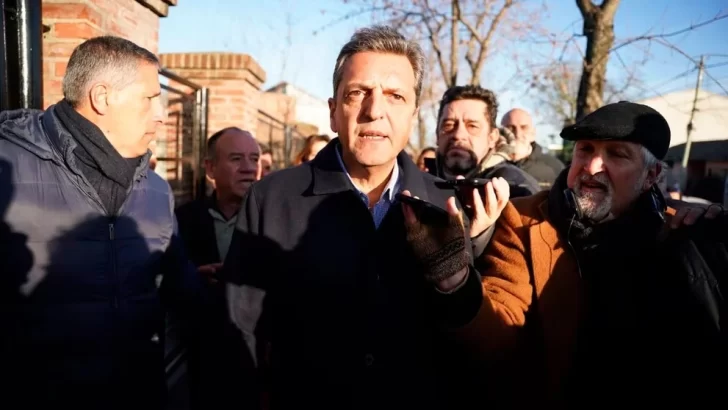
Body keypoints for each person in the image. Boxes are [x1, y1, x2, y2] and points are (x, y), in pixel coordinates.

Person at [222, 25, 509, 410]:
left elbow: (467, 338)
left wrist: (455, 280)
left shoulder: (447, 205)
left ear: (413, 115)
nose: (375, 111)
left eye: (395, 96)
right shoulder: (271, 199)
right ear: (333, 112)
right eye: (358, 93)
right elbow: (240, 333)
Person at [434, 101, 727, 407]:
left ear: (651, 175)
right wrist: (457, 285)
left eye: (617, 154)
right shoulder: (524, 220)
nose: (592, 166)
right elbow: (500, 325)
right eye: (585, 149)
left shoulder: (679, 233)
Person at [0, 36, 205, 409]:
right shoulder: (8, 166)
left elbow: (178, 284)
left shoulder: (156, 189)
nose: (161, 114)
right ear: (102, 97)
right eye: (149, 98)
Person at [175, 127, 261, 409]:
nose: (249, 168)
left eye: (254, 159)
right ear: (210, 168)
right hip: (199, 358)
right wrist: (192, 278)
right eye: (236, 159)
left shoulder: (273, 218)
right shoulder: (183, 219)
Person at [427, 85, 541, 197]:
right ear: (437, 134)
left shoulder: (518, 190)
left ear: (492, 137)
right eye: (448, 125)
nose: (458, 135)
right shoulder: (420, 184)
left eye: (472, 126)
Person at [501, 108, 565, 188]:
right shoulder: (490, 166)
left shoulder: (554, 167)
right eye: (511, 128)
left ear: (533, 133)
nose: (518, 134)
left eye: (524, 127)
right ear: (500, 132)